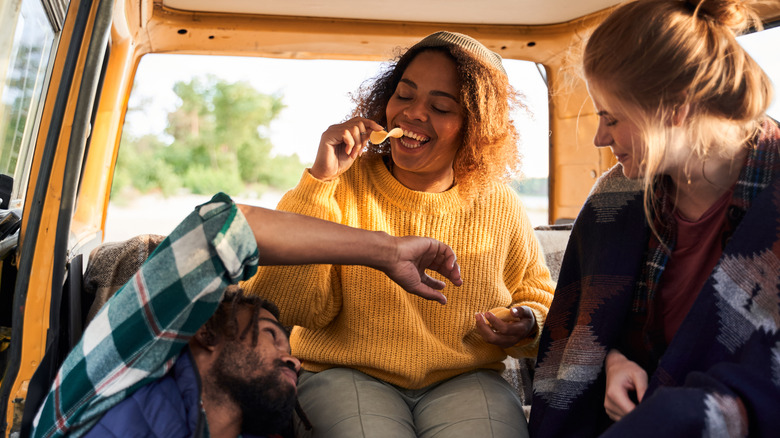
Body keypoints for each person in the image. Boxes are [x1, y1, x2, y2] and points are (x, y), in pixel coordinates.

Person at [243, 31, 555, 438]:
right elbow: (285, 303)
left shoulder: (500, 204)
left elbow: (541, 300)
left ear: (476, 127)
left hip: (467, 379)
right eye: (404, 95)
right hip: (344, 374)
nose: (413, 113)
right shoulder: (339, 183)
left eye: (441, 106)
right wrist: (319, 182)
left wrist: (526, 323)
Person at [529, 0, 780, 437]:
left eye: (612, 117)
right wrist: (612, 361)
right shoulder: (613, 201)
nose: (599, 137)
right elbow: (575, 328)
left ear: (676, 108)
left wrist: (683, 414)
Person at [31, 192, 462, 438]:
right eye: (273, 335)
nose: (294, 358)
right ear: (205, 332)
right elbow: (221, 228)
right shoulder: (114, 376)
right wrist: (386, 252)